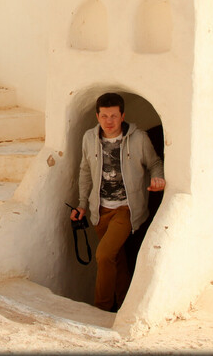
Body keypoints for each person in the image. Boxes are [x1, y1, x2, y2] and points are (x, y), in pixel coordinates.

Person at [70, 92, 165, 311]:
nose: (109, 121)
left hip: (126, 209)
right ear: (97, 116)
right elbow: (85, 171)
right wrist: (82, 204)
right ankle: (123, 305)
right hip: (100, 210)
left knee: (103, 255)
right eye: (104, 116)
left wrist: (157, 178)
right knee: (117, 260)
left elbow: (155, 163)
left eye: (113, 116)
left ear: (122, 116)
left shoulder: (138, 137)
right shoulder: (89, 138)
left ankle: (101, 308)